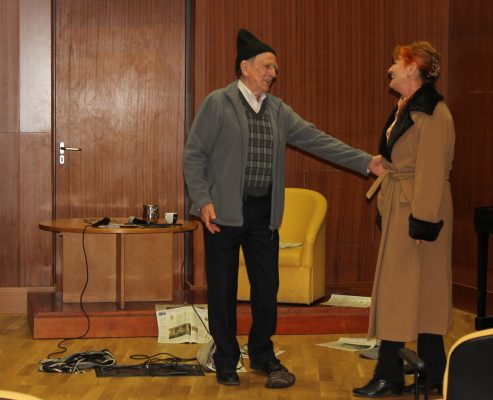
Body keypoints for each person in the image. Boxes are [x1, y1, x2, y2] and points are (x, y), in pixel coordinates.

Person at [183, 28, 384, 389]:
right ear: (245, 67)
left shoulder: (278, 110)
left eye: (275, 67)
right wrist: (202, 201)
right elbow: (193, 154)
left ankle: (263, 354)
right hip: (223, 213)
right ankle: (226, 358)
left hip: (264, 215)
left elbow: (317, 139)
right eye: (267, 66)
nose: (273, 73)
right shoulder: (218, 103)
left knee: (266, 290)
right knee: (223, 290)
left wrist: (365, 161)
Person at [353, 41, 455, 397]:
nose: (390, 68)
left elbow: (431, 172)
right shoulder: (409, 107)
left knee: (405, 292)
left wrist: (423, 223)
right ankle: (432, 372)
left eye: (396, 62)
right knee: (419, 292)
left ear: (413, 68)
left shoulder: (434, 113)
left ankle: (390, 372)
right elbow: (397, 156)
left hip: (419, 210)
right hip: (404, 205)